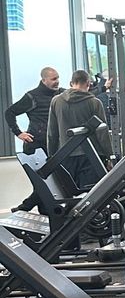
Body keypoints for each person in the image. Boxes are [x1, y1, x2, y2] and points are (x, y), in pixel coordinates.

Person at [5, 65, 61, 210]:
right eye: (53, 79)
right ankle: (26, 207)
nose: (57, 81)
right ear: (44, 80)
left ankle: (34, 209)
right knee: (43, 182)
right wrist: (19, 133)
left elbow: (81, 94)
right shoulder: (32, 97)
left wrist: (103, 88)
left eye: (58, 78)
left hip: (53, 145)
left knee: (53, 182)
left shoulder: (62, 94)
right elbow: (10, 112)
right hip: (35, 145)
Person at [46, 70, 112, 190]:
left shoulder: (56, 101)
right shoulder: (94, 103)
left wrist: (52, 157)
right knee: (91, 194)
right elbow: (102, 133)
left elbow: (52, 133)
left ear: (71, 83)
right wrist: (110, 156)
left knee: (70, 193)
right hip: (92, 157)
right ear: (88, 83)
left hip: (66, 156)